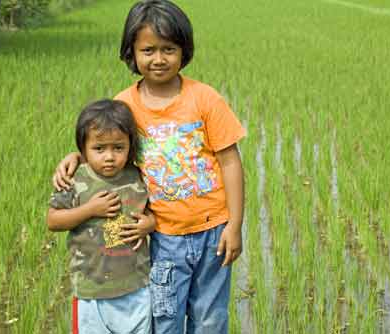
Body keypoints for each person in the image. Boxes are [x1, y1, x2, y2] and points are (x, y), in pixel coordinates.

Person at [53, 1, 247, 333]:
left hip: (213, 229)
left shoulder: (205, 99)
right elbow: (107, 149)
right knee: (166, 318)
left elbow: (230, 161)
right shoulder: (124, 105)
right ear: (132, 52)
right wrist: (75, 158)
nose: (158, 59)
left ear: (183, 51)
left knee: (210, 318)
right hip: (161, 234)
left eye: (168, 49)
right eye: (148, 50)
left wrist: (235, 225)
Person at [47, 99, 155, 334]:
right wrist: (90, 210)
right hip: (91, 291)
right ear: (83, 149)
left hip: (136, 287)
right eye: (99, 148)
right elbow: (53, 220)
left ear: (130, 147)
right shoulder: (75, 178)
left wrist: (150, 223)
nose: (109, 157)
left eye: (118, 148)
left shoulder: (136, 175)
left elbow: (148, 209)